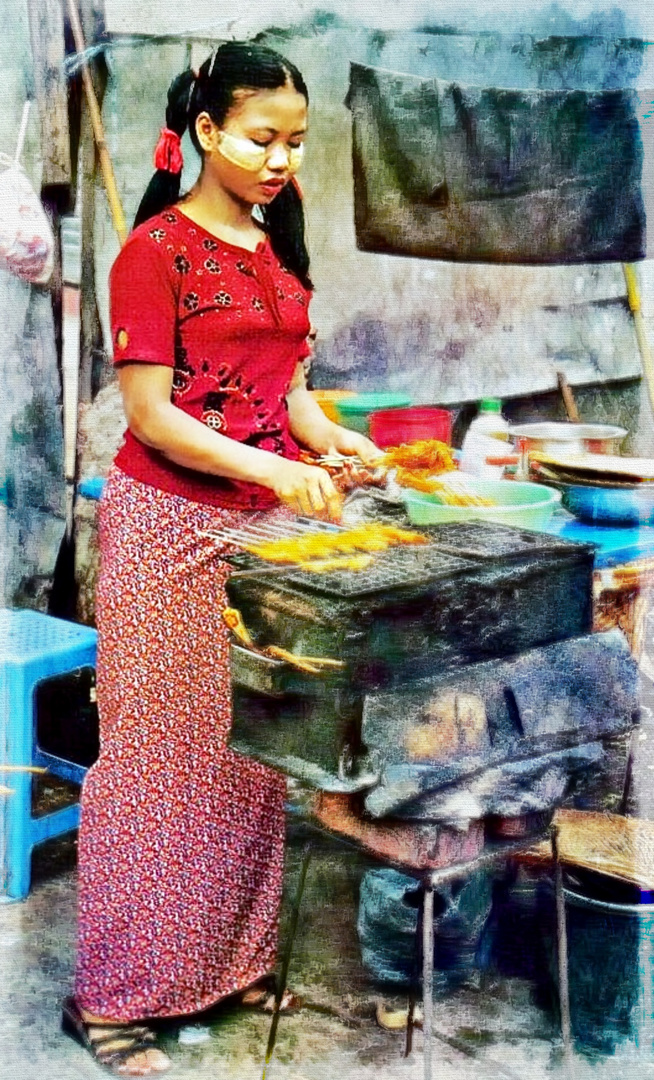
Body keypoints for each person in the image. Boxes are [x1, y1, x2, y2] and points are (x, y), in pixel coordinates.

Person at [61, 41, 380, 1076]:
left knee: (249, 764)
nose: (283, 158)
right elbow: (154, 418)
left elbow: (283, 392)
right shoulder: (151, 251)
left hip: (259, 544)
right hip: (167, 532)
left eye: (295, 141)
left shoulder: (270, 244)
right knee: (155, 768)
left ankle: (222, 966)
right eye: (261, 138)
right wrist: (279, 471)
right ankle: (111, 999)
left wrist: (332, 444)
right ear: (206, 131)